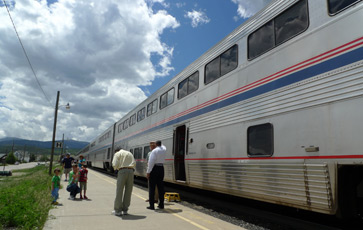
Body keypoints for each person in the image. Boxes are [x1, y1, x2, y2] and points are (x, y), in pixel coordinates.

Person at [111, 147, 136, 216]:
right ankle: (125, 210)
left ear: (116, 151)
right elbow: (134, 163)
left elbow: (114, 164)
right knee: (128, 191)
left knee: (119, 190)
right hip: (131, 171)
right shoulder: (129, 153)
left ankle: (118, 210)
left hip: (122, 171)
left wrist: (116, 169)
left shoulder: (117, 153)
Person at [146, 140, 166, 210]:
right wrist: (158, 144)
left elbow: (151, 163)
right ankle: (161, 204)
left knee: (152, 188)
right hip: (161, 169)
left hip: (154, 169)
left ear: (156, 144)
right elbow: (162, 145)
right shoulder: (164, 149)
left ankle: (151, 206)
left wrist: (148, 172)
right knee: (160, 187)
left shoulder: (154, 151)